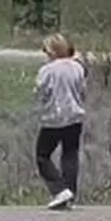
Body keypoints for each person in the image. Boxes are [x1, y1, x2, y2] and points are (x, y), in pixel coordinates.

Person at [34, 33, 87, 211]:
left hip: (54, 118)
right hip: (75, 116)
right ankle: (70, 192)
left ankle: (59, 189)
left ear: (52, 51)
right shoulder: (78, 68)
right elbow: (82, 90)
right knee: (70, 154)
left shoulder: (47, 70)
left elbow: (42, 92)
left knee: (43, 155)